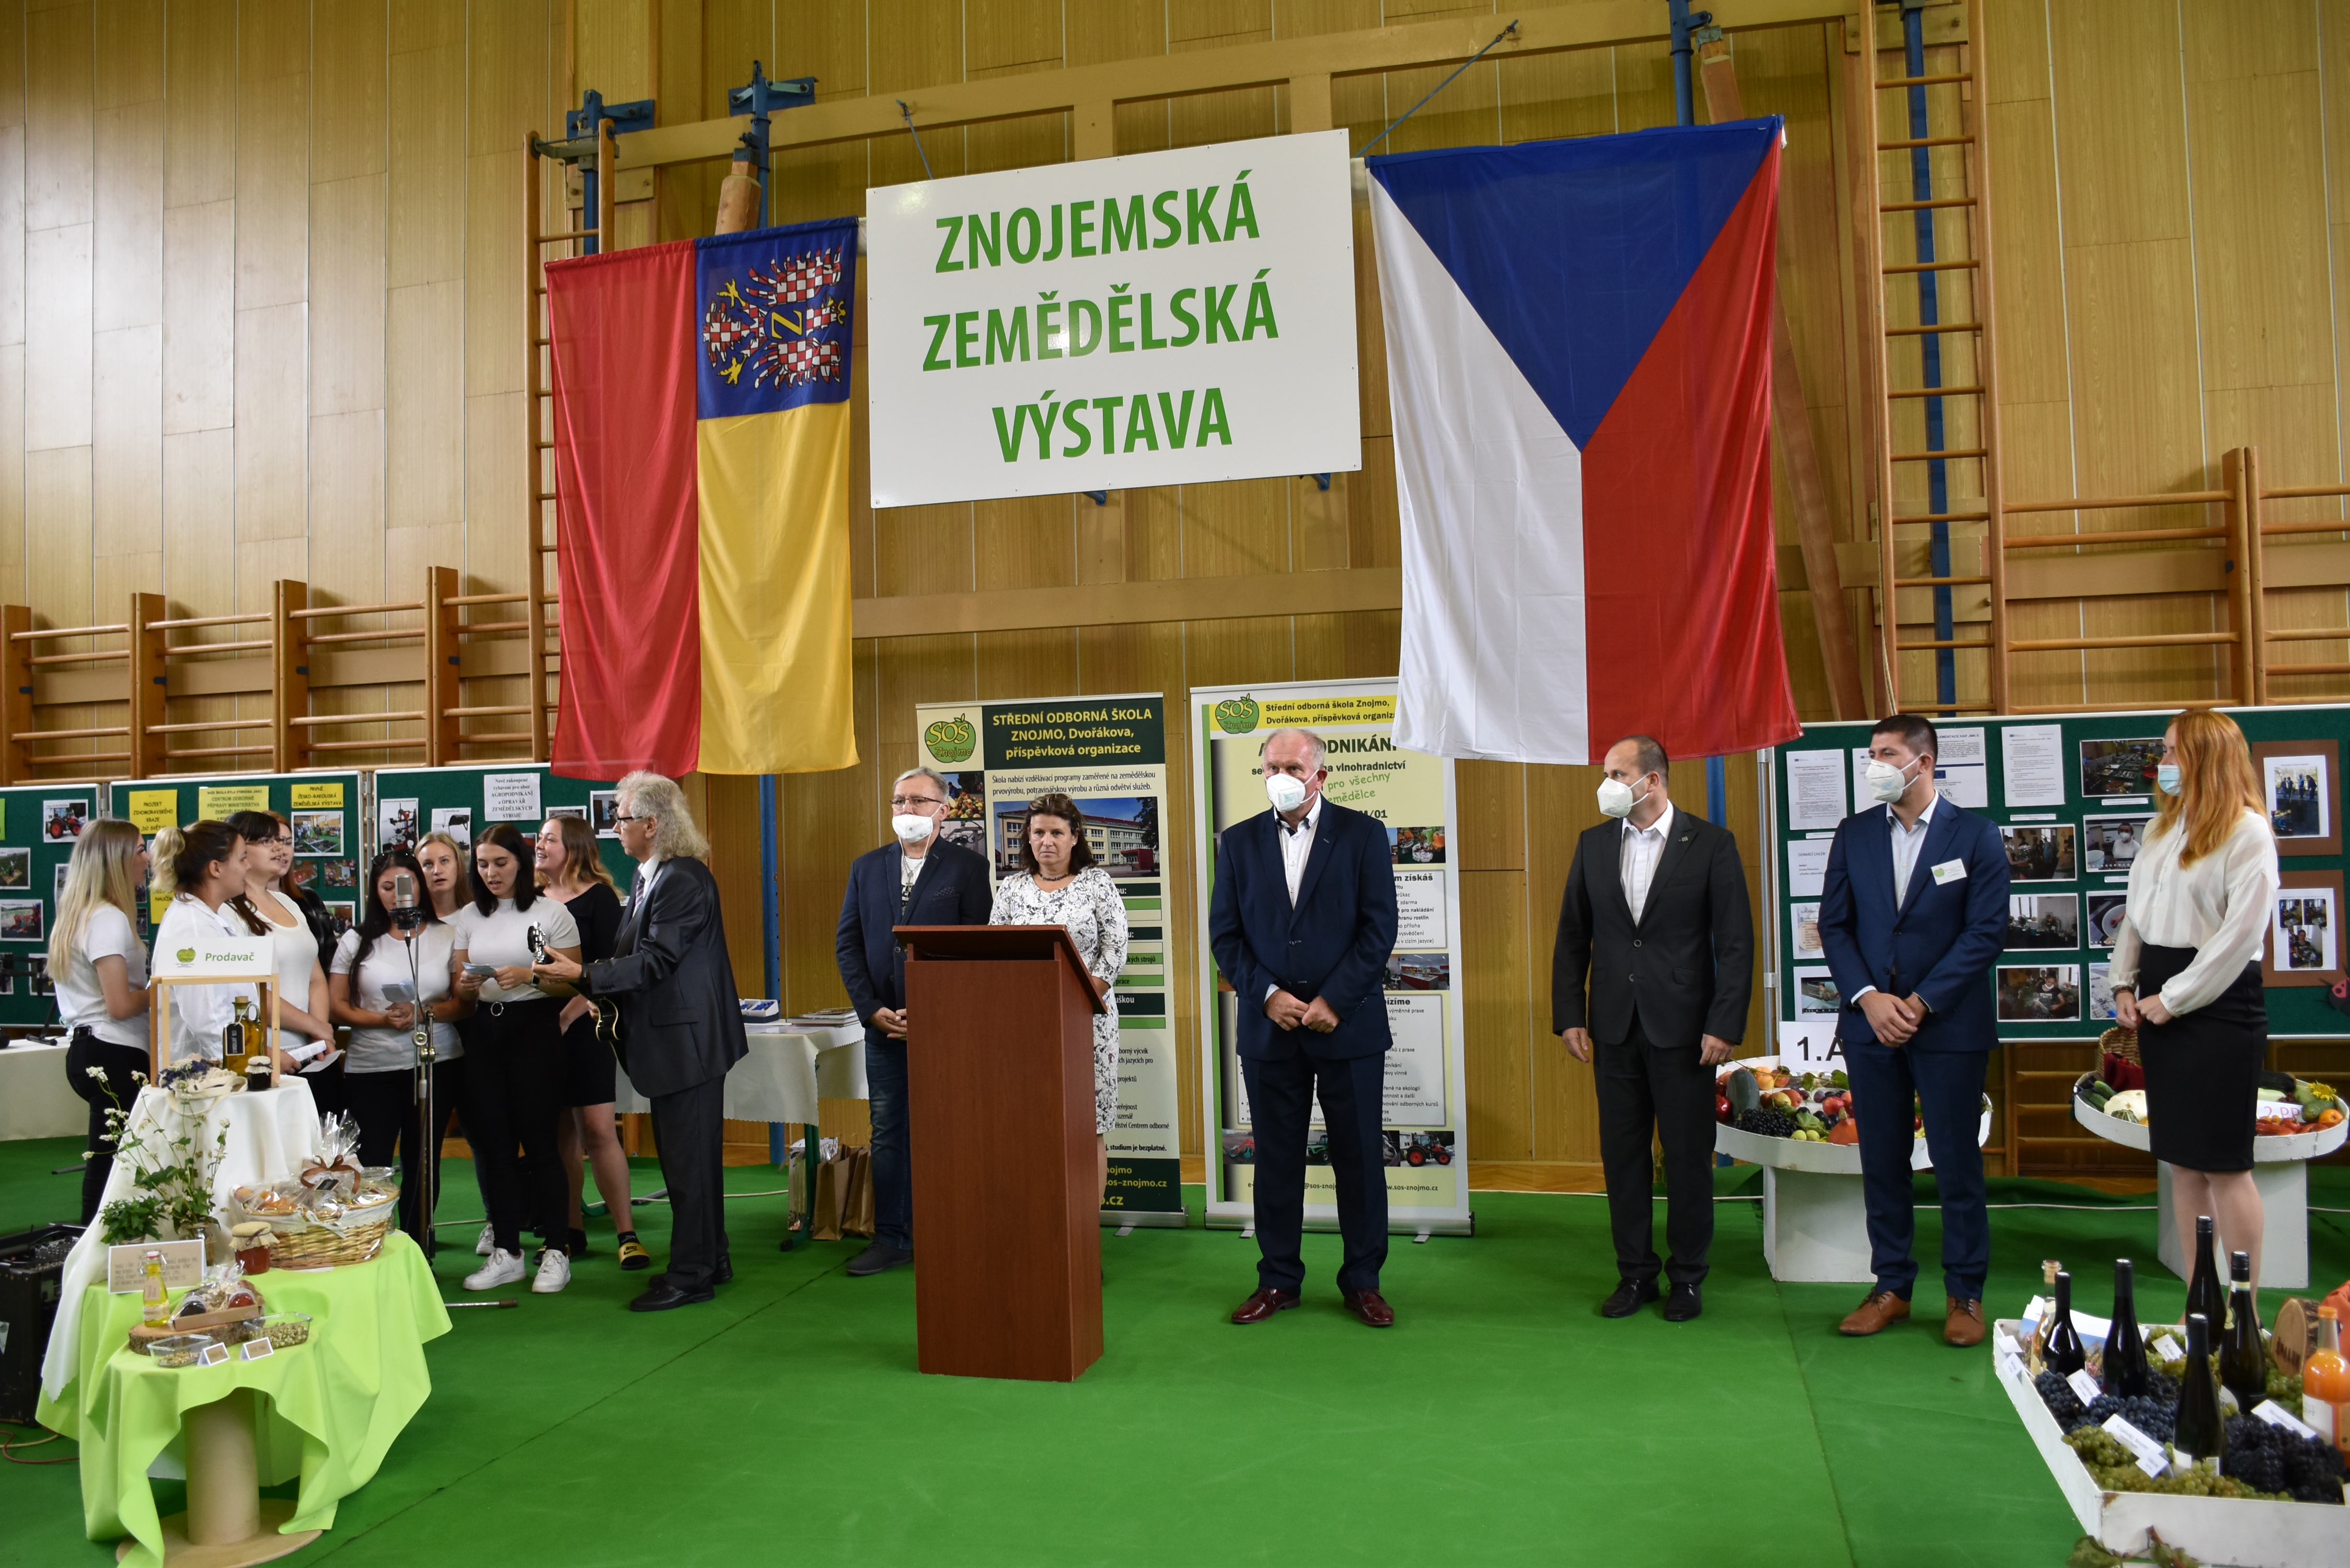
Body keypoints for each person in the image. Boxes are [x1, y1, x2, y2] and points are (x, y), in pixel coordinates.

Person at [1818, 714, 2010, 1347]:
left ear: (1922, 763)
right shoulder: (1853, 834)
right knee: (1881, 1161)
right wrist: (1869, 998)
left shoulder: (1976, 836)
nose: (1873, 765)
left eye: (1886, 753)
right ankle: (1891, 1286)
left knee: (1956, 1164)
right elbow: (1834, 925)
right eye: (1871, 753)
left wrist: (1921, 1002)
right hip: (1870, 1026)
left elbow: (1985, 933)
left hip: (1948, 1027)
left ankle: (1964, 1294)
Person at [1552, 735, 1752, 1322]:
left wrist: (1724, 1023)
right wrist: (1569, 1014)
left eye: (1618, 774)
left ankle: (1687, 1278)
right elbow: (1572, 936)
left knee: (1687, 1158)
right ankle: (1635, 1273)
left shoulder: (1710, 844)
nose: (1607, 784)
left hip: (1688, 1030)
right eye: (1607, 773)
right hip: (1613, 1025)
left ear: (1653, 780)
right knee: (1623, 1157)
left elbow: (1735, 943)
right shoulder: (1592, 844)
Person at [1209, 728, 1400, 1329]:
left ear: (1320, 775)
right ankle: (1277, 1280)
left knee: (1358, 1159)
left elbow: (1379, 928)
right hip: (1269, 1030)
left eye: (1292, 767)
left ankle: (1363, 1282)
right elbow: (1225, 935)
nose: (1280, 777)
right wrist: (1266, 996)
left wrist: (1334, 1000)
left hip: (1348, 1027)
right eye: (1270, 767)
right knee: (1277, 1161)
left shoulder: (1363, 834)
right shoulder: (1238, 841)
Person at [534, 773, 746, 1311]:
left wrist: (582, 976)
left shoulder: (680, 879)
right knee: (690, 1163)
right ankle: (712, 1259)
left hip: (687, 1044)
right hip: (679, 1041)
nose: (615, 828)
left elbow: (657, 960)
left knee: (688, 1166)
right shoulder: (654, 875)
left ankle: (691, 1275)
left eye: (622, 818)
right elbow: (637, 954)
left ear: (652, 824)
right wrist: (593, 983)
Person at [2111, 710, 2281, 1283]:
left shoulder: (2248, 832)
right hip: (2161, 996)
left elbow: (2240, 938)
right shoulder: (2161, 828)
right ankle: (2198, 1298)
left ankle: (2243, 1307)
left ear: (2206, 758)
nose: (2160, 763)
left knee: (2224, 1166)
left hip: (2219, 1005)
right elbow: (2135, 914)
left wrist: (2174, 998)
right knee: (2183, 1164)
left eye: (2170, 752)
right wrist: (2123, 982)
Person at [833, 767, 992, 1277]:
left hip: (946, 1028)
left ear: (943, 810)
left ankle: (954, 1232)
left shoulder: (968, 867)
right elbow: (848, 944)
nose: (906, 810)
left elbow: (976, 947)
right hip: (884, 1027)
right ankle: (892, 1238)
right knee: (888, 1134)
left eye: (918, 801)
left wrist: (932, 1009)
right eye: (899, 801)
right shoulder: (866, 867)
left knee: (952, 1130)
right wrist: (870, 1010)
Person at [449, 822, 583, 1296]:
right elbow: (461, 985)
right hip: (485, 1033)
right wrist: (467, 985)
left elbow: (573, 982)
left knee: (542, 1144)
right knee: (496, 1146)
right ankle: (507, 1252)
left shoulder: (552, 913)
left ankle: (557, 1250)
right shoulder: (469, 915)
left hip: (535, 1032)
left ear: (521, 863)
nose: (491, 873)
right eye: (483, 864)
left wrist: (530, 975)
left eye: (501, 863)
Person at [988, 794, 1129, 1214]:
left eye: (1056, 833)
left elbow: (1115, 948)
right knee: (1031, 1126)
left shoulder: (1097, 883)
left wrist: (1079, 1001)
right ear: (1028, 838)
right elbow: (996, 950)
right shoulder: (1011, 888)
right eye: (1038, 833)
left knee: (1089, 1127)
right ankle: (1039, 1224)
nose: (1046, 841)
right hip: (1025, 1026)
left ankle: (1085, 1233)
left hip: (1087, 1024)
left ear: (1075, 837)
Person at [330, 848, 473, 1243]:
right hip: (372, 1067)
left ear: (420, 887)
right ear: (375, 891)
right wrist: (382, 1019)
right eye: (387, 887)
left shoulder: (447, 935)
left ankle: (418, 1246)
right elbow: (336, 1006)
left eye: (405, 885)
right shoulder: (357, 940)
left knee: (423, 1160)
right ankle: (371, 1243)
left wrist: (424, 1013)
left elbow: (464, 1004)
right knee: (372, 1159)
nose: (397, 895)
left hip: (435, 1062)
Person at [535, 814, 642, 1270]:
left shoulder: (600, 898)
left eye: (550, 839)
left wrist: (567, 1015)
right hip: (541, 1030)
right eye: (539, 838)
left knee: (597, 1130)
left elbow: (605, 969)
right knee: (560, 1134)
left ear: (575, 846)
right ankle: (569, 1230)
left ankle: (626, 1233)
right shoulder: (531, 899)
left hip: (586, 1026)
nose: (540, 845)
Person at [53, 820, 152, 1221]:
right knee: (110, 1163)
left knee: (109, 1159)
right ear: (118, 859)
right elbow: (120, 1005)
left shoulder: (82, 913)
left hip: (92, 1048)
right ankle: (93, 1245)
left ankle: (96, 1242)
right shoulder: (107, 918)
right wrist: (168, 987)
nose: (148, 859)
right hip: (113, 1050)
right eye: (141, 850)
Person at [149, 822, 285, 1068]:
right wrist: (257, 1058)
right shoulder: (192, 928)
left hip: (225, 1068)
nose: (248, 866)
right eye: (242, 858)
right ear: (216, 868)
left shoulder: (212, 918)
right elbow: (209, 1021)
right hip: (203, 1075)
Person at [225, 810, 337, 1082]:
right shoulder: (228, 912)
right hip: (266, 1053)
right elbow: (251, 991)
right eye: (266, 841)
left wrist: (319, 1033)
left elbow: (315, 978)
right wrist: (317, 1026)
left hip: (312, 1050)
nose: (279, 848)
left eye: (282, 841)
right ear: (239, 851)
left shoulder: (288, 903)